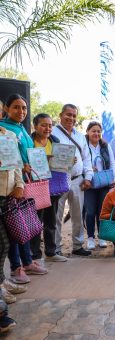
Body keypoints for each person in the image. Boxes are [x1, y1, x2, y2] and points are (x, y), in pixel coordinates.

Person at [0, 94, 48, 283]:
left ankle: (27, 261)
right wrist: (21, 167)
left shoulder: (19, 130)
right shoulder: (5, 129)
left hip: (21, 184)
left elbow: (24, 156)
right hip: (8, 188)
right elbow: (12, 160)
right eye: (16, 107)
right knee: (12, 229)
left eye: (24, 108)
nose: (21, 111)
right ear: (7, 109)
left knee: (24, 224)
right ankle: (16, 267)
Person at [52, 104, 94, 256]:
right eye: (68, 114)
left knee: (77, 215)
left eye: (74, 116)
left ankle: (77, 246)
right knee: (57, 216)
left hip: (77, 180)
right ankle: (55, 248)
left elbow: (87, 158)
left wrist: (88, 177)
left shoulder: (80, 136)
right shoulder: (52, 132)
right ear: (61, 115)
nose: (71, 118)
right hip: (58, 179)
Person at [30, 113, 68, 262]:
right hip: (35, 186)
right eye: (43, 125)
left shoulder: (55, 141)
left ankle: (51, 253)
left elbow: (60, 163)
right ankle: (35, 255)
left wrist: (68, 159)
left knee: (51, 220)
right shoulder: (29, 141)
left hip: (53, 186)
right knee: (35, 222)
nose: (47, 128)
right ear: (35, 126)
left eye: (50, 125)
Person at [0, 127, 27, 306]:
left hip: (8, 195)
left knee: (6, 242)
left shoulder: (7, 135)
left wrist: (20, 184)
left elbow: (16, 163)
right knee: (2, 243)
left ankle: (2, 281)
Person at [84, 121, 115, 250]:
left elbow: (113, 162)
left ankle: (102, 237)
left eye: (98, 131)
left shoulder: (105, 145)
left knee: (102, 212)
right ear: (88, 132)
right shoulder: (84, 145)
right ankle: (91, 237)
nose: (96, 133)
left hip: (104, 182)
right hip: (89, 184)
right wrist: (87, 168)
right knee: (90, 211)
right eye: (93, 131)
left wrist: (114, 178)